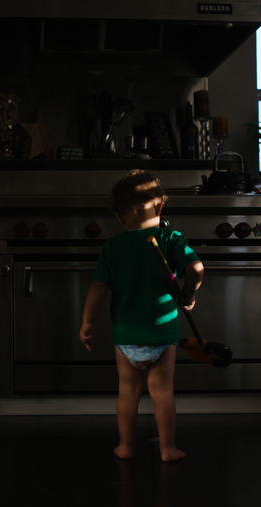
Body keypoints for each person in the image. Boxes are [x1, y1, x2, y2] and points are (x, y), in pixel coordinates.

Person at [79, 169, 204, 463]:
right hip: (162, 335)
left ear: (120, 217)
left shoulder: (112, 246)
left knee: (127, 390)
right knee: (162, 391)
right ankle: (167, 448)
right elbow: (196, 269)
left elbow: (98, 286)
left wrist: (87, 321)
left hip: (126, 336)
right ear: (160, 206)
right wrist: (189, 293)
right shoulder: (171, 238)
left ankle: (125, 446)